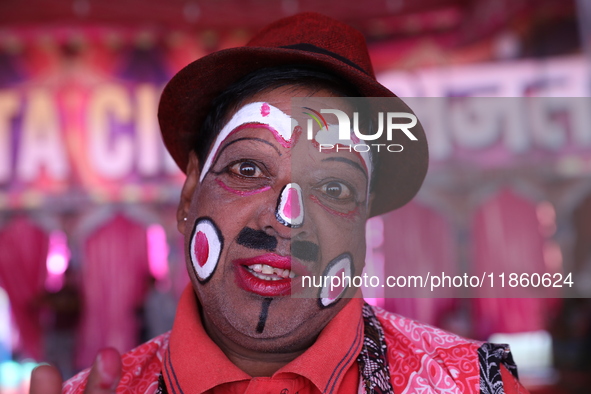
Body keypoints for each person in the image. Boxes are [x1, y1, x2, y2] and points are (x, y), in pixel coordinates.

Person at [30, 12, 529, 394]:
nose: (285, 219)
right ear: (188, 197)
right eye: (248, 169)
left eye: (334, 189)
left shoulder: (475, 383)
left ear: (363, 230)